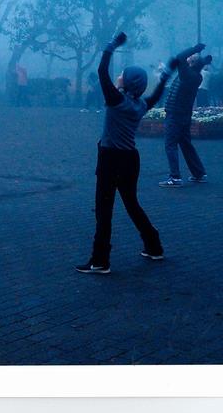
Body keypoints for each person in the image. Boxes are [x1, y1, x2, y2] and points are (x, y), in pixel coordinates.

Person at [76, 32, 170, 275]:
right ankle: (154, 245)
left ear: (126, 83)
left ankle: (100, 260)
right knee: (131, 204)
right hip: (130, 159)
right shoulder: (139, 104)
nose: (119, 76)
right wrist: (165, 76)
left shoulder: (116, 101)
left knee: (104, 209)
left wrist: (110, 46)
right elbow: (156, 95)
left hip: (110, 159)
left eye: (123, 75)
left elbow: (101, 73)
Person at [158, 45, 211, 188]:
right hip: (184, 114)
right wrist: (199, 56)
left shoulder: (188, 75)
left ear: (192, 63)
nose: (188, 58)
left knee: (170, 144)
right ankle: (199, 173)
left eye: (191, 58)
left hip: (175, 114)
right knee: (186, 144)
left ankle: (175, 177)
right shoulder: (195, 75)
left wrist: (194, 49)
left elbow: (180, 57)